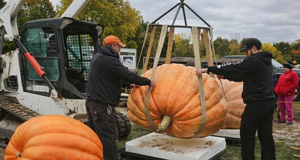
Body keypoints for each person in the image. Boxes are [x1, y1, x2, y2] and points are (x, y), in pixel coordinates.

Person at [196, 38, 276, 160]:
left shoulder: (255, 61)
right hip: (269, 103)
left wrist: (209, 69)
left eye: (246, 51)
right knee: (266, 136)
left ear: (253, 48)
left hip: (256, 104)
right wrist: (226, 76)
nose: (246, 54)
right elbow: (242, 77)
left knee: (246, 133)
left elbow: (235, 67)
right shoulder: (265, 62)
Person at [86, 35, 155, 160]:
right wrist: (148, 82)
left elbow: (109, 77)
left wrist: (128, 85)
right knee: (109, 137)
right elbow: (127, 74)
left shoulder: (97, 57)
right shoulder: (110, 60)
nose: (120, 50)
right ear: (113, 46)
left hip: (92, 103)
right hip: (103, 105)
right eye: (119, 47)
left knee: (95, 135)